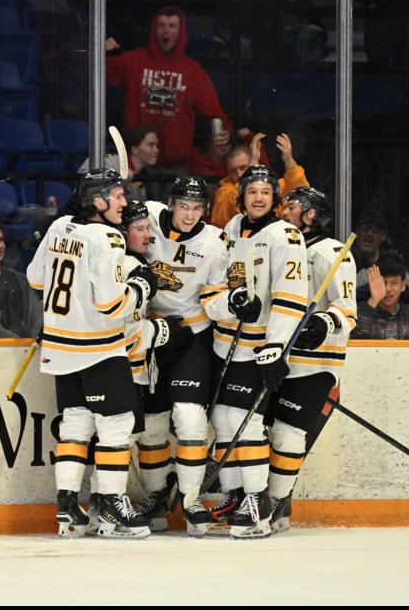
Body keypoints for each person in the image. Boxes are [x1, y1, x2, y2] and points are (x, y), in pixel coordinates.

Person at [26, 168, 156, 539]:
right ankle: (112, 509)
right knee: (116, 426)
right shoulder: (110, 238)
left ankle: (68, 508)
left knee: (75, 425)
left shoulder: (59, 226)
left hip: (60, 347)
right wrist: (141, 286)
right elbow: (112, 304)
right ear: (97, 202)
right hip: (99, 348)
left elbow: (36, 279)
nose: (124, 203)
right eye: (116, 197)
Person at [209, 165, 308, 539]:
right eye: (253, 190)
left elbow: (291, 298)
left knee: (246, 420)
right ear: (242, 195)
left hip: (259, 349)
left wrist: (275, 347)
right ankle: (235, 495)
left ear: (275, 197)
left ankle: (258, 502)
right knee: (222, 419)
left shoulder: (286, 235)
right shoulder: (230, 229)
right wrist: (230, 304)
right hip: (226, 344)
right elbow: (214, 287)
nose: (259, 196)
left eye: (267, 191)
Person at [132, 176, 232, 537]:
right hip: (151, 335)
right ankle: (157, 498)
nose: (190, 215)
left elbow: (216, 293)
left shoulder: (215, 243)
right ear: (171, 204)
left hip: (192, 336)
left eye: (197, 208)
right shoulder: (149, 216)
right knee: (154, 425)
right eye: (184, 206)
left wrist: (232, 304)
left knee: (190, 420)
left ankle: (190, 501)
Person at [265, 186, 357, 534]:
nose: (282, 211)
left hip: (316, 365)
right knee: (265, 433)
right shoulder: (284, 246)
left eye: (291, 206)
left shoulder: (332, 251)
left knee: (287, 435)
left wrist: (323, 321)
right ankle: (268, 498)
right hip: (280, 361)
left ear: (311, 215)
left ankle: (276, 503)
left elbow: (347, 310)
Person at [112, 197, 192, 530]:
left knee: (154, 428)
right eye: (140, 229)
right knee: (117, 435)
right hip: (119, 365)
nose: (148, 235)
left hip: (146, 364)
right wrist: (165, 331)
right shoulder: (118, 265)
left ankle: (156, 499)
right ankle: (105, 501)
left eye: (148, 228)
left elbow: (159, 207)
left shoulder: (140, 259)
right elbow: (122, 325)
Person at [106, 4, 231, 171]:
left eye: (172, 26)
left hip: (177, 166)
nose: (165, 32)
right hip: (137, 163)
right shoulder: (135, 60)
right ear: (154, 30)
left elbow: (215, 114)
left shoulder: (193, 71)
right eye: (161, 26)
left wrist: (224, 132)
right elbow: (100, 70)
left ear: (181, 31)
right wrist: (101, 50)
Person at [208, 133, 311, 229]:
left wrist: (289, 161)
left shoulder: (276, 186)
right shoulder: (224, 192)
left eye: (244, 167)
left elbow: (303, 197)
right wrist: (251, 170)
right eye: (233, 170)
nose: (239, 174)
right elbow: (238, 208)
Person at [354, 253, 409, 340]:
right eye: (383, 283)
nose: (388, 289)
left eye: (394, 283)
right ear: (373, 283)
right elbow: (356, 337)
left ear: (403, 286)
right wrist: (374, 300)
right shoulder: (364, 311)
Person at [252, 0, 329, 65]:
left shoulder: (307, 6)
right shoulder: (268, 4)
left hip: (300, 63)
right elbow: (257, 34)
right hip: (273, 63)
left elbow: (320, 33)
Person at [78, 125, 163, 201]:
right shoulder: (108, 162)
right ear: (135, 149)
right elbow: (85, 186)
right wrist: (119, 182)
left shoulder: (151, 177)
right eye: (151, 145)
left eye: (156, 145)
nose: (156, 150)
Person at [352, 208, 409, 304]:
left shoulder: (390, 257)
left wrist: (398, 266)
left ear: (383, 236)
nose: (369, 233)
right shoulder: (346, 258)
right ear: (356, 231)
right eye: (364, 227)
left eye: (374, 229)